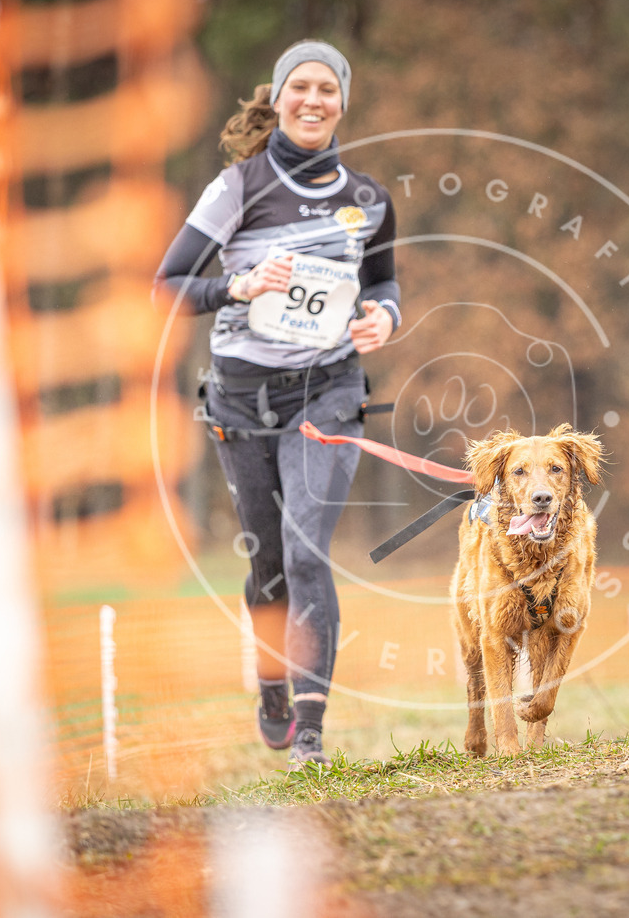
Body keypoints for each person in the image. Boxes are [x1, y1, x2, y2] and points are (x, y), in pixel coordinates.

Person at [154, 40, 399, 769]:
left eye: (328, 88)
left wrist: (383, 318)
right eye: (302, 86)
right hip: (242, 399)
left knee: (305, 550)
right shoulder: (237, 187)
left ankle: (313, 738)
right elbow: (166, 284)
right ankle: (272, 685)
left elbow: (384, 287)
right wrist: (238, 285)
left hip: (329, 389)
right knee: (268, 565)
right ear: (281, 96)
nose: (315, 99)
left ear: (343, 103)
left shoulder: (370, 200)